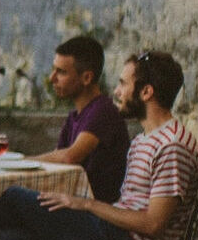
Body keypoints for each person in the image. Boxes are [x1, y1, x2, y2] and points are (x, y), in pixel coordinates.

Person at [0, 50, 198, 240]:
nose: (117, 91)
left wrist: (87, 205)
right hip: (115, 239)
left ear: (146, 92)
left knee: (14, 197)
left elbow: (153, 225)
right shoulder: (144, 140)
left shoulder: (171, 145)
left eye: (124, 84)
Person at [35, 36, 129, 203]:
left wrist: (20, 161)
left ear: (86, 78)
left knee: (10, 200)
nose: (52, 78)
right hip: (71, 205)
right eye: (53, 69)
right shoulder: (74, 117)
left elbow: (70, 157)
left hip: (98, 215)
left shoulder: (104, 111)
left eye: (61, 72)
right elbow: (57, 165)